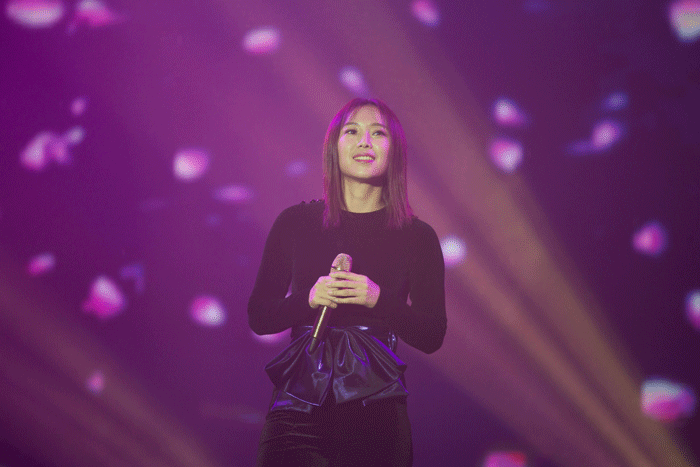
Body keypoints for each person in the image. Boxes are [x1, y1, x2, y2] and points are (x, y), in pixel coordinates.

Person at [248, 98, 447, 467]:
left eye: (378, 133)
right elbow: (259, 316)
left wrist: (378, 299)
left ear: (396, 151)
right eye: (352, 131)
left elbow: (432, 334)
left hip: (377, 418)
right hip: (297, 413)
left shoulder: (418, 237)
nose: (364, 142)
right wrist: (308, 298)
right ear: (333, 147)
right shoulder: (295, 222)